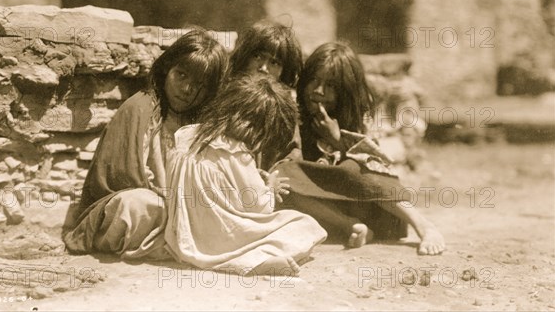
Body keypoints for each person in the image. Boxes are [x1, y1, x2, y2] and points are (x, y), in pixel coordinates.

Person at [62, 29, 228, 260]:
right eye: (181, 75)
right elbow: (122, 178)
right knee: (135, 206)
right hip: (148, 205)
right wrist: (171, 199)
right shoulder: (141, 108)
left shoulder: (202, 122)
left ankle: (177, 243)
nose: (187, 89)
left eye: (199, 84)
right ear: (167, 67)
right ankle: (183, 244)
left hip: (183, 206)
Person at [275, 42, 445, 255]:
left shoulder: (357, 114)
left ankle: (423, 225)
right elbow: (290, 160)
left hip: (362, 200)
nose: (318, 92)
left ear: (344, 90)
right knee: (283, 176)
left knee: (358, 165)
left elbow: (378, 162)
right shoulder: (292, 108)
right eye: (314, 81)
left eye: (330, 86)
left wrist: (337, 140)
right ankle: (351, 226)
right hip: (319, 206)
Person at [165, 75, 327, 276]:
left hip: (183, 237)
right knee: (303, 224)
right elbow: (259, 207)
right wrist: (270, 187)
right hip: (221, 237)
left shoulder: (187, 135)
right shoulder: (238, 152)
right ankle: (255, 261)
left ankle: (240, 259)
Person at [229, 19, 303, 169]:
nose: (263, 68)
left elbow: (290, 159)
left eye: (274, 63)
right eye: (257, 57)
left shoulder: (284, 114)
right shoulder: (223, 94)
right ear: (245, 56)